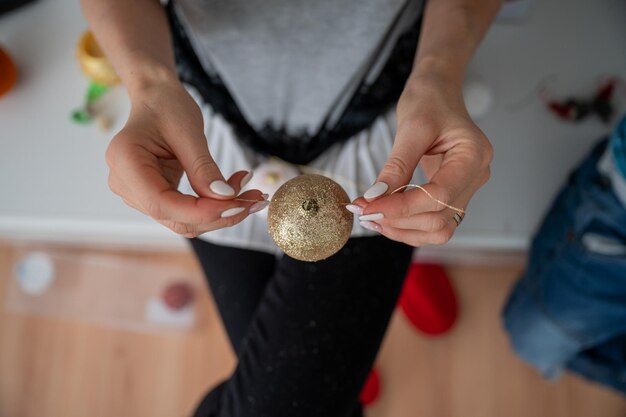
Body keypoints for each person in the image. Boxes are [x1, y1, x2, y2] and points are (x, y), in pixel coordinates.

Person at [81, 0, 497, 415]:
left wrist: (440, 74)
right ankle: (359, 361)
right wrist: (150, 86)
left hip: (389, 121)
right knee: (309, 392)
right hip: (204, 128)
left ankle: (375, 329)